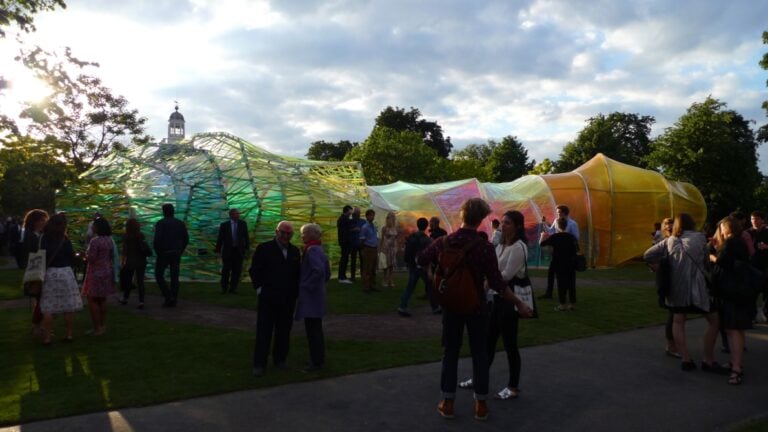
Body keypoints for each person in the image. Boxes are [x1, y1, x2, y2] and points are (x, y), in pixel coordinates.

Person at [418, 198, 533, 421]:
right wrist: (518, 302)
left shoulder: (444, 241)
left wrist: (433, 275)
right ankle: (480, 405)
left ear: (461, 215)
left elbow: (421, 258)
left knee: (450, 352)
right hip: (477, 307)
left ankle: (447, 402)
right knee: (480, 353)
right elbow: (498, 283)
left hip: (451, 306)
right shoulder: (484, 247)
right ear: (481, 219)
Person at [458, 210, 531, 400]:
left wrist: (488, 281)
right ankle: (478, 378)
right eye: (503, 222)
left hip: (509, 300)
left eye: (508, 223)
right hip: (496, 299)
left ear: (517, 226)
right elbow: (494, 268)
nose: (503, 226)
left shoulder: (519, 247)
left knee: (510, 345)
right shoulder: (500, 245)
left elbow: (505, 275)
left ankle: (513, 386)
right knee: (488, 343)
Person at [644, 213, 722, 372]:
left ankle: (686, 359)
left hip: (677, 287)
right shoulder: (700, 238)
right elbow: (706, 263)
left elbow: (647, 255)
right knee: (714, 321)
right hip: (698, 287)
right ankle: (708, 358)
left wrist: (660, 266)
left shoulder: (668, 242)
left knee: (678, 321)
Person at [250, 221, 301, 376]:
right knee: (264, 331)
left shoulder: (294, 251)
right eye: (283, 232)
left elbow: (297, 274)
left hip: (287, 299)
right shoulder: (264, 248)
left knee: (284, 331)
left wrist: (295, 293)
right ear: (276, 232)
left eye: (289, 233)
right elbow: (254, 270)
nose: (285, 236)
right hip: (268, 297)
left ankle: (280, 359)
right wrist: (260, 289)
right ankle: (259, 364)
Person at [710, 216, 755, 384]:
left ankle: (736, 367)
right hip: (740, 291)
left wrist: (712, 258)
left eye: (722, 227)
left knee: (733, 329)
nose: (720, 230)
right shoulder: (739, 241)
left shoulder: (731, 242)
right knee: (736, 329)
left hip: (732, 292)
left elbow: (723, 262)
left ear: (727, 228)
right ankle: (736, 363)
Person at [39, 213, 83, 344]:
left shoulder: (44, 238)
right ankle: (69, 334)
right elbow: (71, 256)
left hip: (50, 273)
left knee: (48, 307)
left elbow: (42, 255)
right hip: (66, 272)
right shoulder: (65, 239)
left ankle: (47, 337)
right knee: (68, 306)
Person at [295, 223, 330, 372]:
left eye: (304, 233)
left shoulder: (311, 250)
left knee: (312, 330)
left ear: (311, 234)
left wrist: (306, 286)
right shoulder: (319, 249)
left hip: (311, 296)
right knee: (316, 328)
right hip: (318, 294)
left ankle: (315, 362)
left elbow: (319, 271)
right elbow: (326, 272)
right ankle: (318, 359)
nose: (302, 236)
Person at [81, 217, 117, 336]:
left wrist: (84, 256)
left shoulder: (95, 241)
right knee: (102, 299)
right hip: (107, 271)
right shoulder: (109, 240)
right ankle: (102, 325)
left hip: (95, 272)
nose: (92, 227)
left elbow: (91, 258)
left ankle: (96, 327)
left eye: (94, 225)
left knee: (92, 299)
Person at [397, 217, 438, 316]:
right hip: (422, 267)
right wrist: (429, 269)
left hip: (413, 265)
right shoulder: (426, 239)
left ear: (417, 225)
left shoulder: (412, 236)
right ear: (426, 226)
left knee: (410, 287)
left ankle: (402, 306)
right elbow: (428, 255)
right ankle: (435, 307)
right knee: (431, 286)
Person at [539, 205, 579, 299]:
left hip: (567, 254)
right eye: (557, 212)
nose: (557, 214)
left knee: (565, 276)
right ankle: (549, 293)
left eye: (559, 212)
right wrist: (544, 223)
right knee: (551, 273)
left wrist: (564, 240)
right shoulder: (556, 221)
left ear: (565, 213)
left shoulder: (572, 224)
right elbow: (551, 231)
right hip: (557, 252)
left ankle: (565, 298)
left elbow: (576, 238)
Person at [153, 203, 189, 308]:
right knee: (174, 276)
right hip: (176, 253)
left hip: (164, 253)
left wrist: (159, 252)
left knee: (159, 275)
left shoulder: (160, 223)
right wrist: (180, 250)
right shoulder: (180, 223)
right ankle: (174, 298)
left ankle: (168, 296)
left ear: (164, 212)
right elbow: (186, 239)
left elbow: (157, 240)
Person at [21, 209, 49, 337]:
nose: (45, 222)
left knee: (39, 299)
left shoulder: (36, 234)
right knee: (40, 298)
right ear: (36, 222)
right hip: (36, 271)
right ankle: (37, 326)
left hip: (38, 270)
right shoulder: (31, 236)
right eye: (42, 220)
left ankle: (38, 326)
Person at [215, 208, 250, 294]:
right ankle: (224, 288)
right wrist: (218, 249)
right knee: (226, 270)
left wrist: (247, 248)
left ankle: (233, 288)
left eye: (238, 213)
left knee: (237, 271)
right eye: (235, 214)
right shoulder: (224, 225)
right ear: (231, 215)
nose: (237, 215)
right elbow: (220, 238)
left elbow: (246, 236)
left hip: (238, 251)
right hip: (228, 251)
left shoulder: (242, 224)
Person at [118, 218, 150, 309]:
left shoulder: (126, 236)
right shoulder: (141, 235)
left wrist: (122, 262)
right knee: (140, 281)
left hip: (130, 261)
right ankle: (141, 301)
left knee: (128, 281)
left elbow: (125, 250)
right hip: (141, 261)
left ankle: (125, 298)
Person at [359, 209, 380, 293]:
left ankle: (372, 285)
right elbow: (361, 239)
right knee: (367, 268)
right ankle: (366, 286)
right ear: (367, 216)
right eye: (371, 215)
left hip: (374, 248)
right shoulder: (364, 227)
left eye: (373, 215)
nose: (373, 217)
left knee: (373, 268)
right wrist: (363, 250)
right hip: (368, 248)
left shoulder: (374, 226)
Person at [380, 211, 398, 288]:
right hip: (386, 248)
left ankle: (390, 280)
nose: (392, 219)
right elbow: (382, 239)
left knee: (391, 265)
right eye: (391, 217)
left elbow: (396, 239)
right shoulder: (384, 228)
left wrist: (397, 247)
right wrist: (380, 249)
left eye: (393, 217)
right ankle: (385, 280)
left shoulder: (395, 228)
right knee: (385, 265)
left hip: (393, 248)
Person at [336, 205, 353, 284]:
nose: (351, 212)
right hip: (345, 242)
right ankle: (341, 277)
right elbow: (346, 230)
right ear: (347, 210)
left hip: (344, 242)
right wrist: (353, 229)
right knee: (344, 259)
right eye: (351, 210)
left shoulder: (342, 219)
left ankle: (343, 276)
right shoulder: (344, 219)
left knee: (345, 259)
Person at [348, 207, 365, 282]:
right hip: (353, 243)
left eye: (359, 212)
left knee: (362, 260)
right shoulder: (350, 221)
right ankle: (352, 276)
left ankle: (362, 275)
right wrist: (353, 230)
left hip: (361, 243)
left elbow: (365, 230)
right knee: (353, 260)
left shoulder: (363, 221)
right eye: (356, 212)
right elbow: (347, 231)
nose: (357, 214)